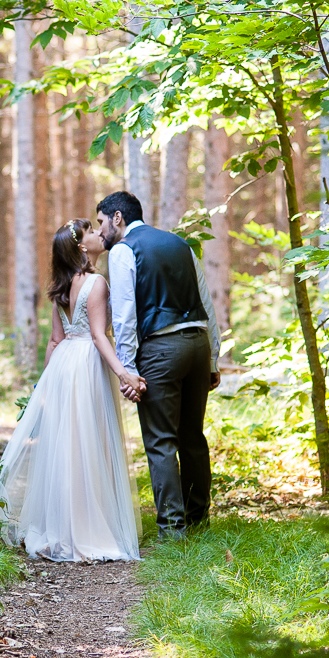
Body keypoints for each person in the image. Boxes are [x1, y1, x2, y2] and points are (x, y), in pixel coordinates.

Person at [0, 219, 143, 562]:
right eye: (90, 232)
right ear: (80, 246)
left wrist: (46, 384)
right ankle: (88, 529)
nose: (97, 235)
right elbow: (98, 335)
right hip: (87, 364)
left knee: (67, 446)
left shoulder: (59, 287)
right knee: (89, 443)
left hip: (62, 366)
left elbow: (55, 340)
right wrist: (123, 373)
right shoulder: (96, 283)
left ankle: (62, 526)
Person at [96, 190, 220, 540]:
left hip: (161, 351)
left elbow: (124, 315)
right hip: (197, 344)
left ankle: (172, 531)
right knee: (192, 437)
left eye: (102, 222)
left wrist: (128, 369)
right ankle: (199, 522)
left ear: (118, 217)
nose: (101, 231)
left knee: (161, 441)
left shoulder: (124, 250)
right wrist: (212, 357)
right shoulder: (180, 244)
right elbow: (205, 303)